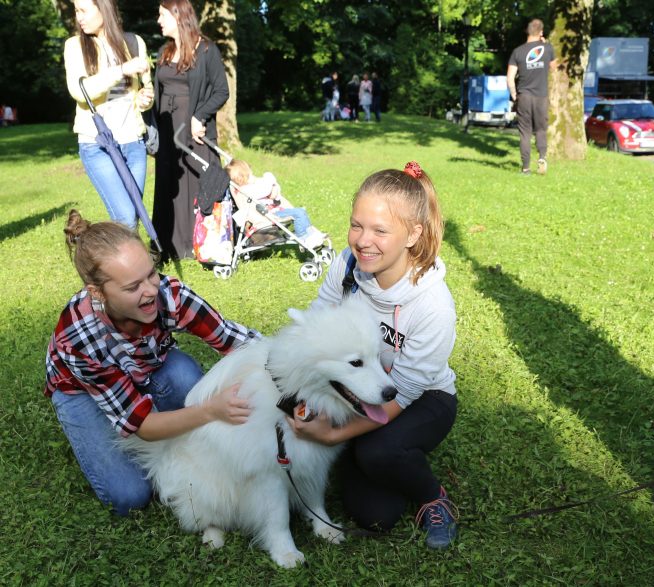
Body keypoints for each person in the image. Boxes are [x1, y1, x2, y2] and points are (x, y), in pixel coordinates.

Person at [288, 161, 459, 550]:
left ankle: (434, 497)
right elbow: (316, 328)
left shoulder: (433, 305)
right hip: (358, 388)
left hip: (419, 399)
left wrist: (332, 435)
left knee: (379, 450)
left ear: (413, 234)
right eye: (356, 225)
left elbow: (401, 395)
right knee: (376, 514)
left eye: (380, 230)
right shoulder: (347, 267)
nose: (363, 240)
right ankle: (370, 459)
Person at [45, 210, 260, 515]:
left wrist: (290, 367)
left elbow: (238, 342)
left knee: (184, 376)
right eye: (133, 287)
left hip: (148, 364)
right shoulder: (79, 335)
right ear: (98, 292)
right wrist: (211, 410)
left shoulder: (169, 295)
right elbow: (143, 425)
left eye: (150, 273)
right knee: (130, 496)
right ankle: (91, 427)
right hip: (80, 389)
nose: (150, 291)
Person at [64, 0, 154, 228]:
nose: (79, 17)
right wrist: (122, 69)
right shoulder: (75, 46)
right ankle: (122, 262)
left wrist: (145, 98)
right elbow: (80, 91)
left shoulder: (134, 43)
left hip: (133, 142)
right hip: (97, 145)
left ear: (104, 8)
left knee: (133, 215)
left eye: (84, 10)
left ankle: (112, 260)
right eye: (76, 11)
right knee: (125, 217)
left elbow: (147, 87)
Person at [152, 0, 229, 261]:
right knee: (168, 186)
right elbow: (158, 91)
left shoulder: (206, 50)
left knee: (196, 186)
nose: (158, 20)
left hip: (194, 131)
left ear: (178, 16)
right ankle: (167, 245)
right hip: (167, 131)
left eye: (162, 15)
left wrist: (200, 115)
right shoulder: (165, 51)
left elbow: (221, 90)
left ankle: (201, 244)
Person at [225, 159, 327, 249]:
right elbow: (265, 189)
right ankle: (304, 238)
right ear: (243, 177)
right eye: (250, 174)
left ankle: (312, 234)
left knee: (301, 212)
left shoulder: (247, 188)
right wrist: (270, 178)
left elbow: (270, 191)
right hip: (270, 216)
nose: (253, 175)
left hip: (273, 211)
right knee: (299, 213)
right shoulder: (246, 190)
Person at [507, 19, 556, 176]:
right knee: (541, 130)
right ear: (541, 32)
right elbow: (554, 67)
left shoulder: (517, 51)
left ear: (527, 31)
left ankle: (526, 168)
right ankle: (542, 158)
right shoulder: (547, 49)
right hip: (541, 96)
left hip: (524, 96)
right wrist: (546, 44)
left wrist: (515, 95)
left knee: (525, 132)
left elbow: (510, 77)